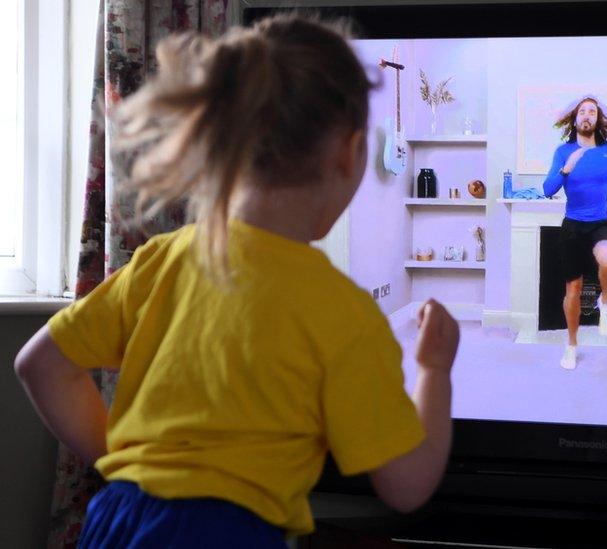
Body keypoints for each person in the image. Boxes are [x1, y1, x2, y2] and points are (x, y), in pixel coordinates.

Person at [13, 12, 460, 547]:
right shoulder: (342, 311)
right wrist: (434, 369)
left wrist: (129, 466)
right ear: (350, 152)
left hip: (116, 521)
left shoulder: (161, 258)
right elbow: (407, 486)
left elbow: (39, 363)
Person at [542, 97, 607, 370]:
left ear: (598, 119)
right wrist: (567, 168)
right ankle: (572, 346)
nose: (587, 115)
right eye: (582, 111)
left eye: (592, 111)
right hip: (573, 225)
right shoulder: (563, 151)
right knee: (573, 290)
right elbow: (547, 189)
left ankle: (604, 302)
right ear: (575, 119)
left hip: (600, 222)